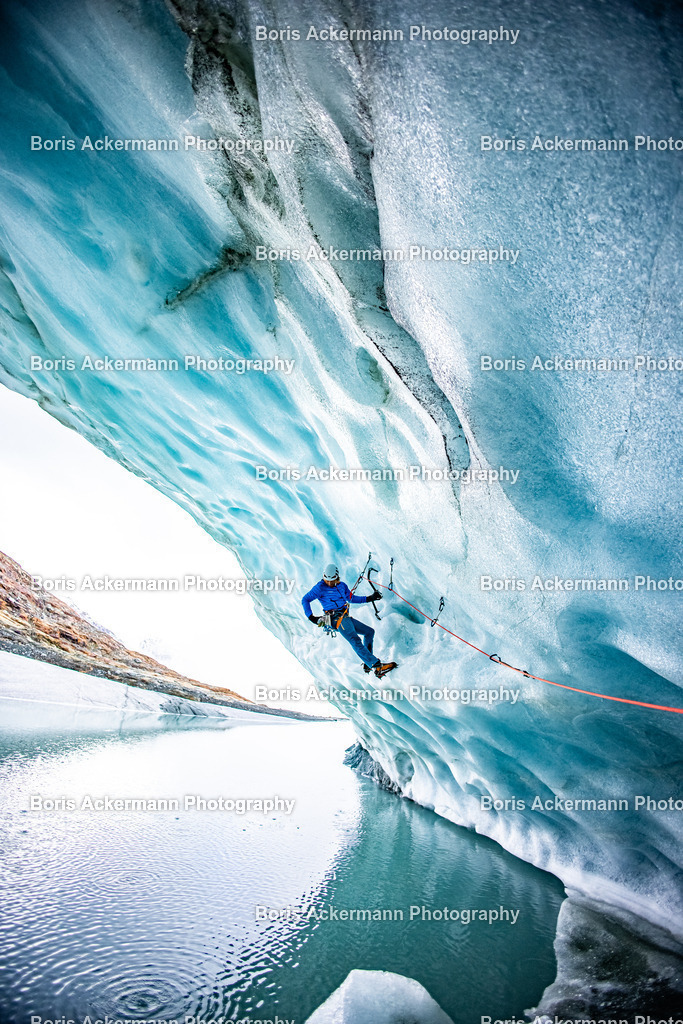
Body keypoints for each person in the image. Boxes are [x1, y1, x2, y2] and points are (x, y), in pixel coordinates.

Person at [302, 563, 398, 678]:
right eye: (327, 580)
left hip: (345, 617)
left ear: (337, 577)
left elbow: (351, 598)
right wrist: (311, 617)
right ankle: (377, 666)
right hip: (334, 619)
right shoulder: (320, 588)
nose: (329, 583)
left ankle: (368, 663)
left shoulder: (342, 586)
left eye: (331, 581)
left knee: (369, 632)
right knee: (354, 640)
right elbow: (305, 599)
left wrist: (370, 598)